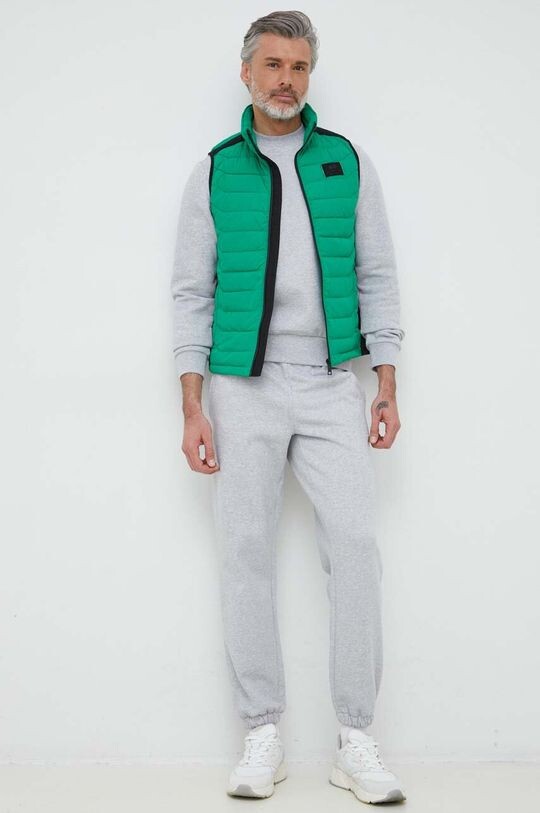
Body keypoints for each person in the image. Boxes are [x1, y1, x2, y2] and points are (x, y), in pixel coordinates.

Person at [170, 10, 407, 805]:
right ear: (246, 72)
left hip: (332, 379)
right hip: (243, 384)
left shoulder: (345, 162)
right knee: (245, 550)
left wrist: (386, 379)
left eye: (298, 66)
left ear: (310, 75)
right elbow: (191, 292)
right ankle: (261, 730)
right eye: (272, 64)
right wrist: (193, 404)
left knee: (357, 547)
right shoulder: (215, 170)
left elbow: (377, 273)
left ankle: (356, 737)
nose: (285, 80)